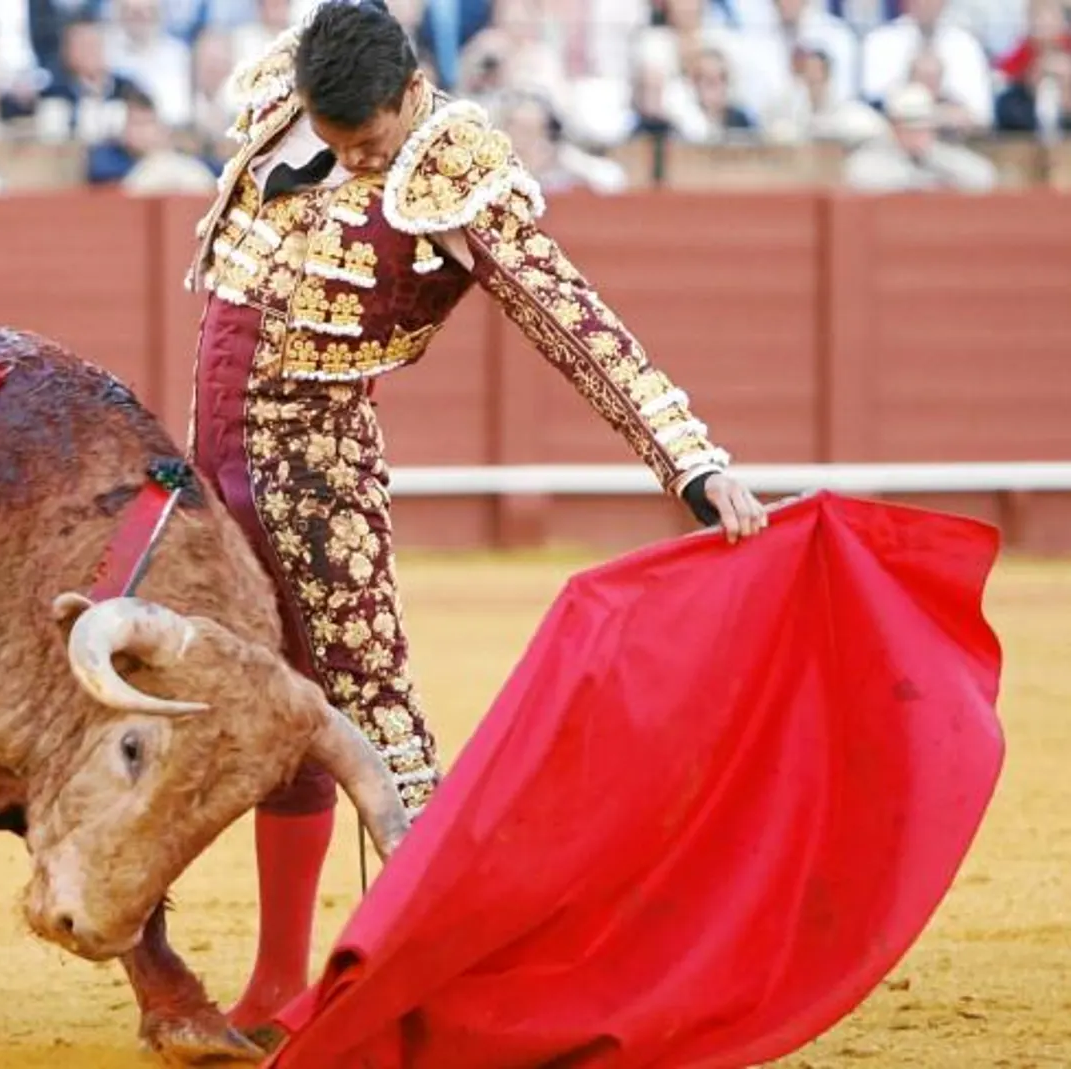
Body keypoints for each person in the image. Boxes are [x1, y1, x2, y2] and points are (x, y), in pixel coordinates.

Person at [180, 0, 769, 1043]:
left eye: (368, 142)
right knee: (268, 718)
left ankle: (435, 980)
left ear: (414, 94)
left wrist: (691, 463)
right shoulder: (293, 90)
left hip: (316, 473)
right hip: (213, 460)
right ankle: (275, 983)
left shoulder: (452, 174)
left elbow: (573, 320)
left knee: (373, 719)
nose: (355, 159)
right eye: (335, 139)